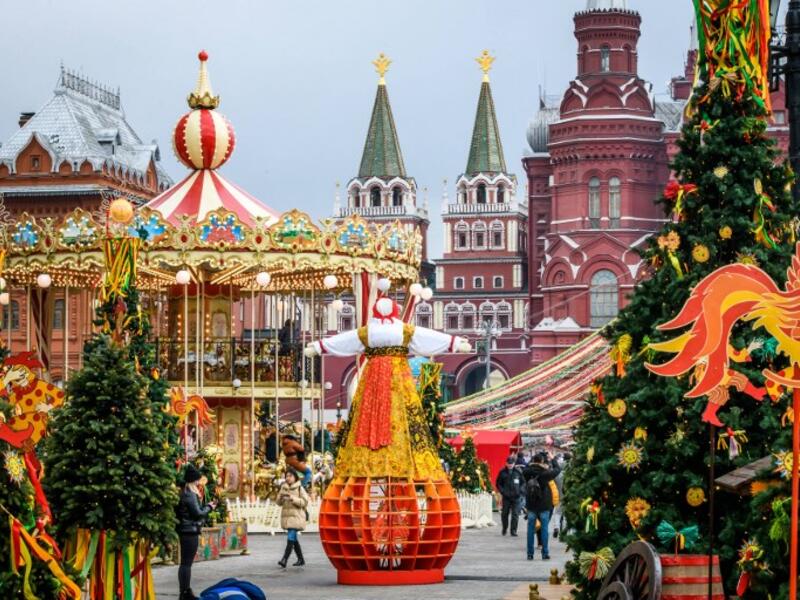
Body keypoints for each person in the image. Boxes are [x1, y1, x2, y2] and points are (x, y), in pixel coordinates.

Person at [176, 464, 216, 600]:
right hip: (189, 531)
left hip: (186, 530)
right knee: (186, 563)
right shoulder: (190, 495)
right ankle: (185, 593)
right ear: (193, 480)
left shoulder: (185, 493)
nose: (199, 482)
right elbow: (198, 513)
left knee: (186, 563)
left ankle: (185, 591)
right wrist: (209, 507)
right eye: (198, 480)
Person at [523, 452, 561, 561]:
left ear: (533, 461)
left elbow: (526, 467)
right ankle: (545, 553)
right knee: (544, 529)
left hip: (531, 505)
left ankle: (530, 554)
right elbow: (558, 470)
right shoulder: (546, 473)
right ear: (543, 461)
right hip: (544, 505)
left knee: (530, 530)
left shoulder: (527, 472)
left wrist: (532, 461)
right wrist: (553, 459)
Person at [277, 469, 310, 568]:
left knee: (290, 537)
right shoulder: (283, 487)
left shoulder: (300, 488)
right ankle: (301, 559)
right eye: (287, 476)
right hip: (287, 517)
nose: (288, 478)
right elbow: (278, 503)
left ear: (295, 477)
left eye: (290, 476)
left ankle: (284, 559)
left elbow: (304, 502)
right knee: (294, 539)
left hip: (296, 517)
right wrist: (281, 498)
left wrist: (293, 499)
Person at [495, 456, 525, 536]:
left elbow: (523, 483)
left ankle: (513, 530)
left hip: (516, 497)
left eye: (511, 464)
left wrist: (520, 491)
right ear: (506, 463)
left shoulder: (518, 472)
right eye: (508, 463)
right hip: (506, 497)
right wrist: (502, 491)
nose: (510, 465)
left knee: (515, 514)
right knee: (504, 513)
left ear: (514, 464)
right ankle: (504, 528)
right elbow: (498, 484)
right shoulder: (502, 472)